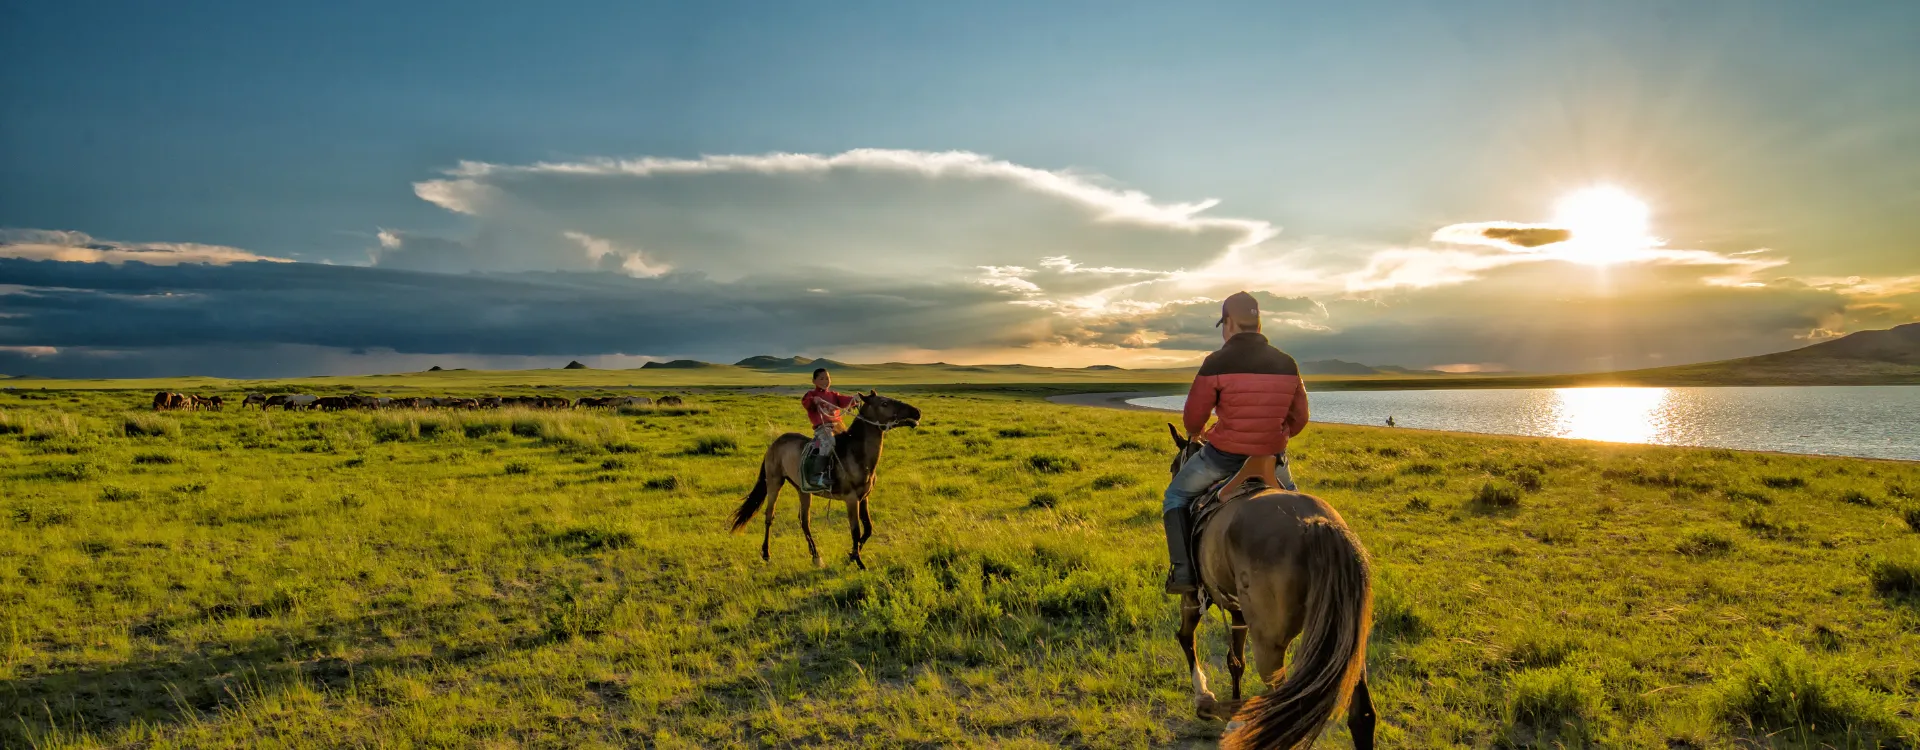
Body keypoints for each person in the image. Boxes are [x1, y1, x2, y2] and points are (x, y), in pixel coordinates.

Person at [1161, 291, 1310, 595]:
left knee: (1175, 497)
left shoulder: (1215, 362)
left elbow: (1192, 420)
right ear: (1258, 323)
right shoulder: (1287, 363)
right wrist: (1277, 436)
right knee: (1303, 510)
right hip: (1272, 459)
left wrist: (1200, 431)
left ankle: (1184, 573)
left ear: (1228, 323)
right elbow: (1301, 417)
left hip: (1222, 458)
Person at [802, 367, 858, 469]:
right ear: (814, 381)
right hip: (823, 428)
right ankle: (819, 473)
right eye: (821, 378)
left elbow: (845, 400)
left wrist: (856, 398)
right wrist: (814, 400)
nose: (825, 381)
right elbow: (806, 403)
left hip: (838, 427)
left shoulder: (834, 395)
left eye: (827, 378)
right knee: (829, 442)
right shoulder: (811, 395)